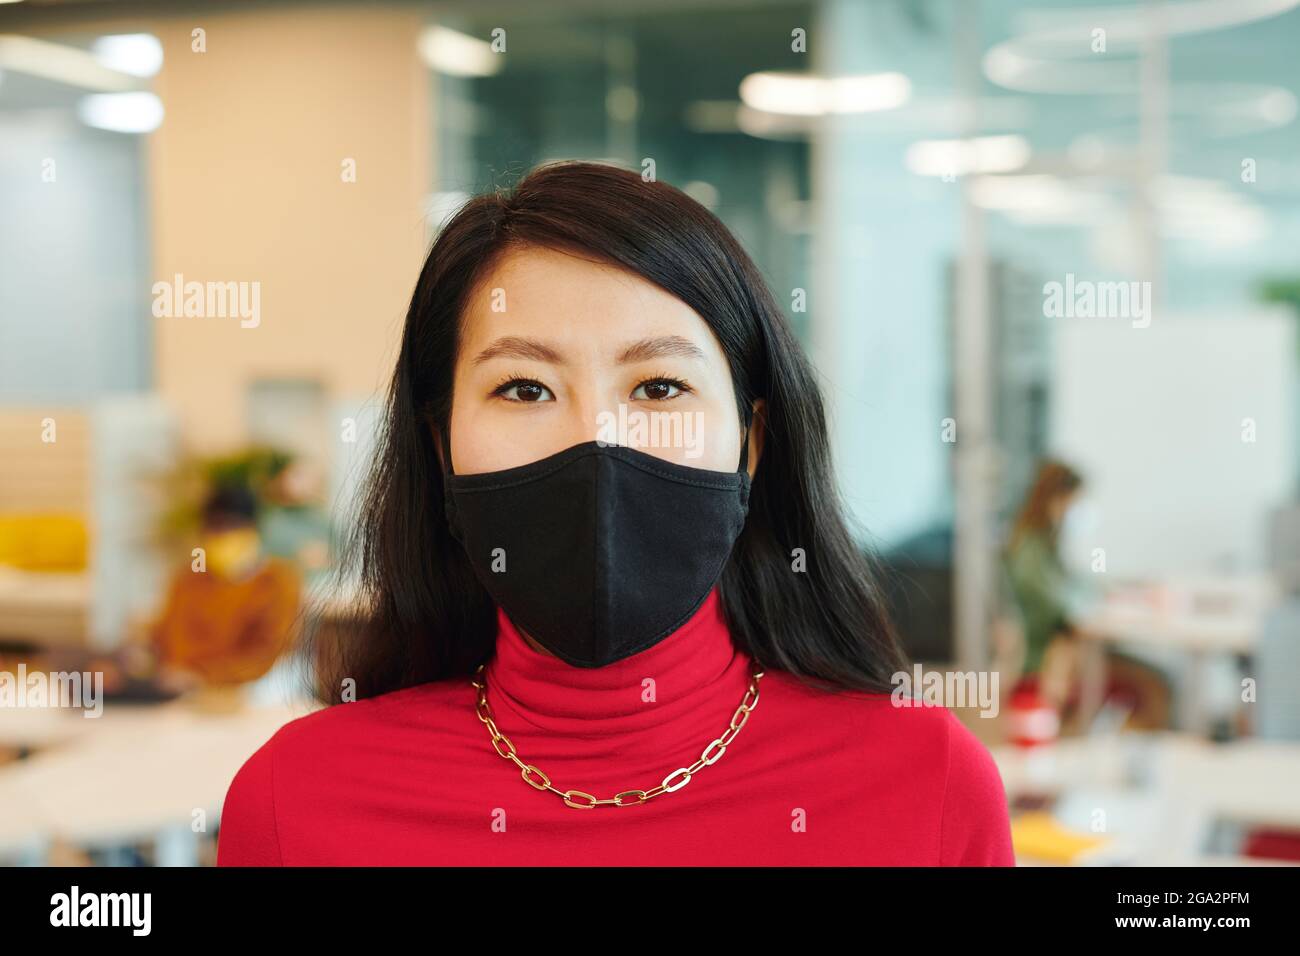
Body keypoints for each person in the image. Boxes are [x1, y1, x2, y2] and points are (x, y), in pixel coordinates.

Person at [217, 160, 1014, 866]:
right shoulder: (298, 804)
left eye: (659, 387)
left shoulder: (928, 787)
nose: (598, 440)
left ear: (752, 441)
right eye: (524, 389)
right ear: (439, 445)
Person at [1004, 460, 1171, 733]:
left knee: (1160, 679)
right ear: (1056, 500)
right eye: (1076, 501)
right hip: (1047, 665)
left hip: (1071, 656)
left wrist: (1119, 590)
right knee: (1157, 686)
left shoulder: (1046, 546)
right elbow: (1063, 611)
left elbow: (1077, 586)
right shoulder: (1028, 552)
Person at [151, 482, 302, 688]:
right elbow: (166, 641)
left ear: (253, 529)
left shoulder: (279, 582)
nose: (222, 535)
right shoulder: (189, 579)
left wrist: (202, 675)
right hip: (178, 692)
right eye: (214, 527)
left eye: (232, 527)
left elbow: (266, 658)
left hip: (247, 695)